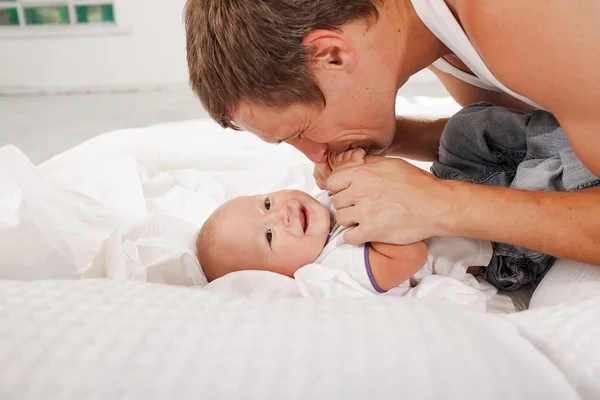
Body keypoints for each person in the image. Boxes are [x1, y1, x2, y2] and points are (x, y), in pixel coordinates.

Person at [184, 0, 600, 269]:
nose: (314, 156)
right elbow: (541, 134)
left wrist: (441, 204)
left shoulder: (520, 17)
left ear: (332, 54)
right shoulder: (432, 36)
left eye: (301, 131)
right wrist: (396, 139)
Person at [196, 149, 492, 294]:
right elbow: (413, 255)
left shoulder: (318, 214)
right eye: (270, 236)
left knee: (466, 130)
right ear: (284, 276)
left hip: (463, 191)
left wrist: (349, 169)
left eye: (267, 204)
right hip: (495, 249)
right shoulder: (341, 263)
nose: (280, 214)